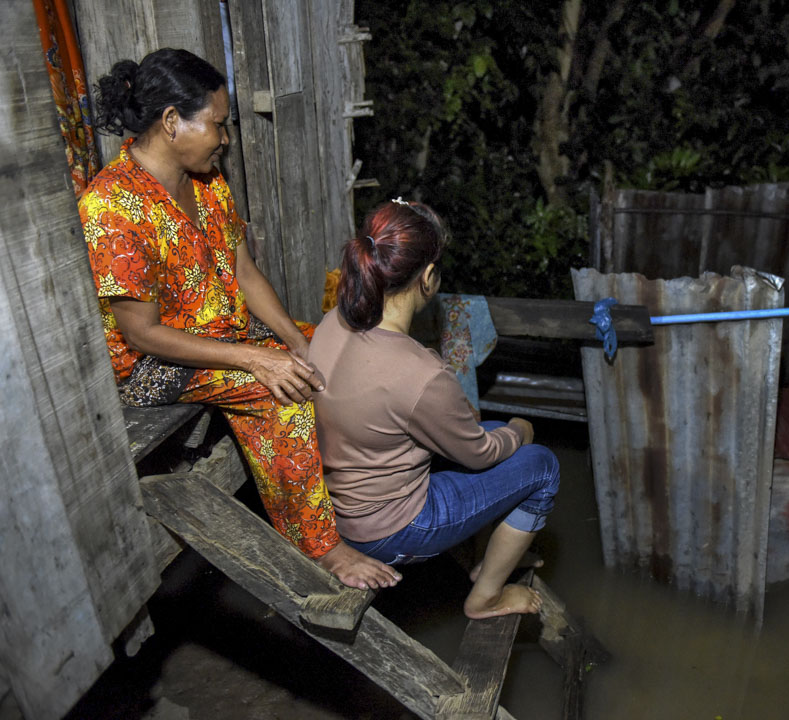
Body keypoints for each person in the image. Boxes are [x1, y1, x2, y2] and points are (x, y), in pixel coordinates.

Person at [79, 48, 399, 590]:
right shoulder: (112, 206)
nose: (225, 138)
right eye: (219, 124)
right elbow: (140, 333)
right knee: (281, 388)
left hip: (221, 334)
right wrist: (258, 357)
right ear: (172, 122)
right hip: (151, 365)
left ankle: (358, 489)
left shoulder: (207, 184)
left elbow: (244, 273)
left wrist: (293, 338)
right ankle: (321, 549)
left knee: (331, 345)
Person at [308, 200, 561, 619]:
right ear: (427, 277)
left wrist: (498, 432)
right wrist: (521, 430)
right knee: (541, 464)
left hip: (346, 504)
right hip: (395, 529)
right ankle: (486, 597)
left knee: (492, 429)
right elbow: (478, 454)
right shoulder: (419, 371)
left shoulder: (335, 320)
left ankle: (489, 557)